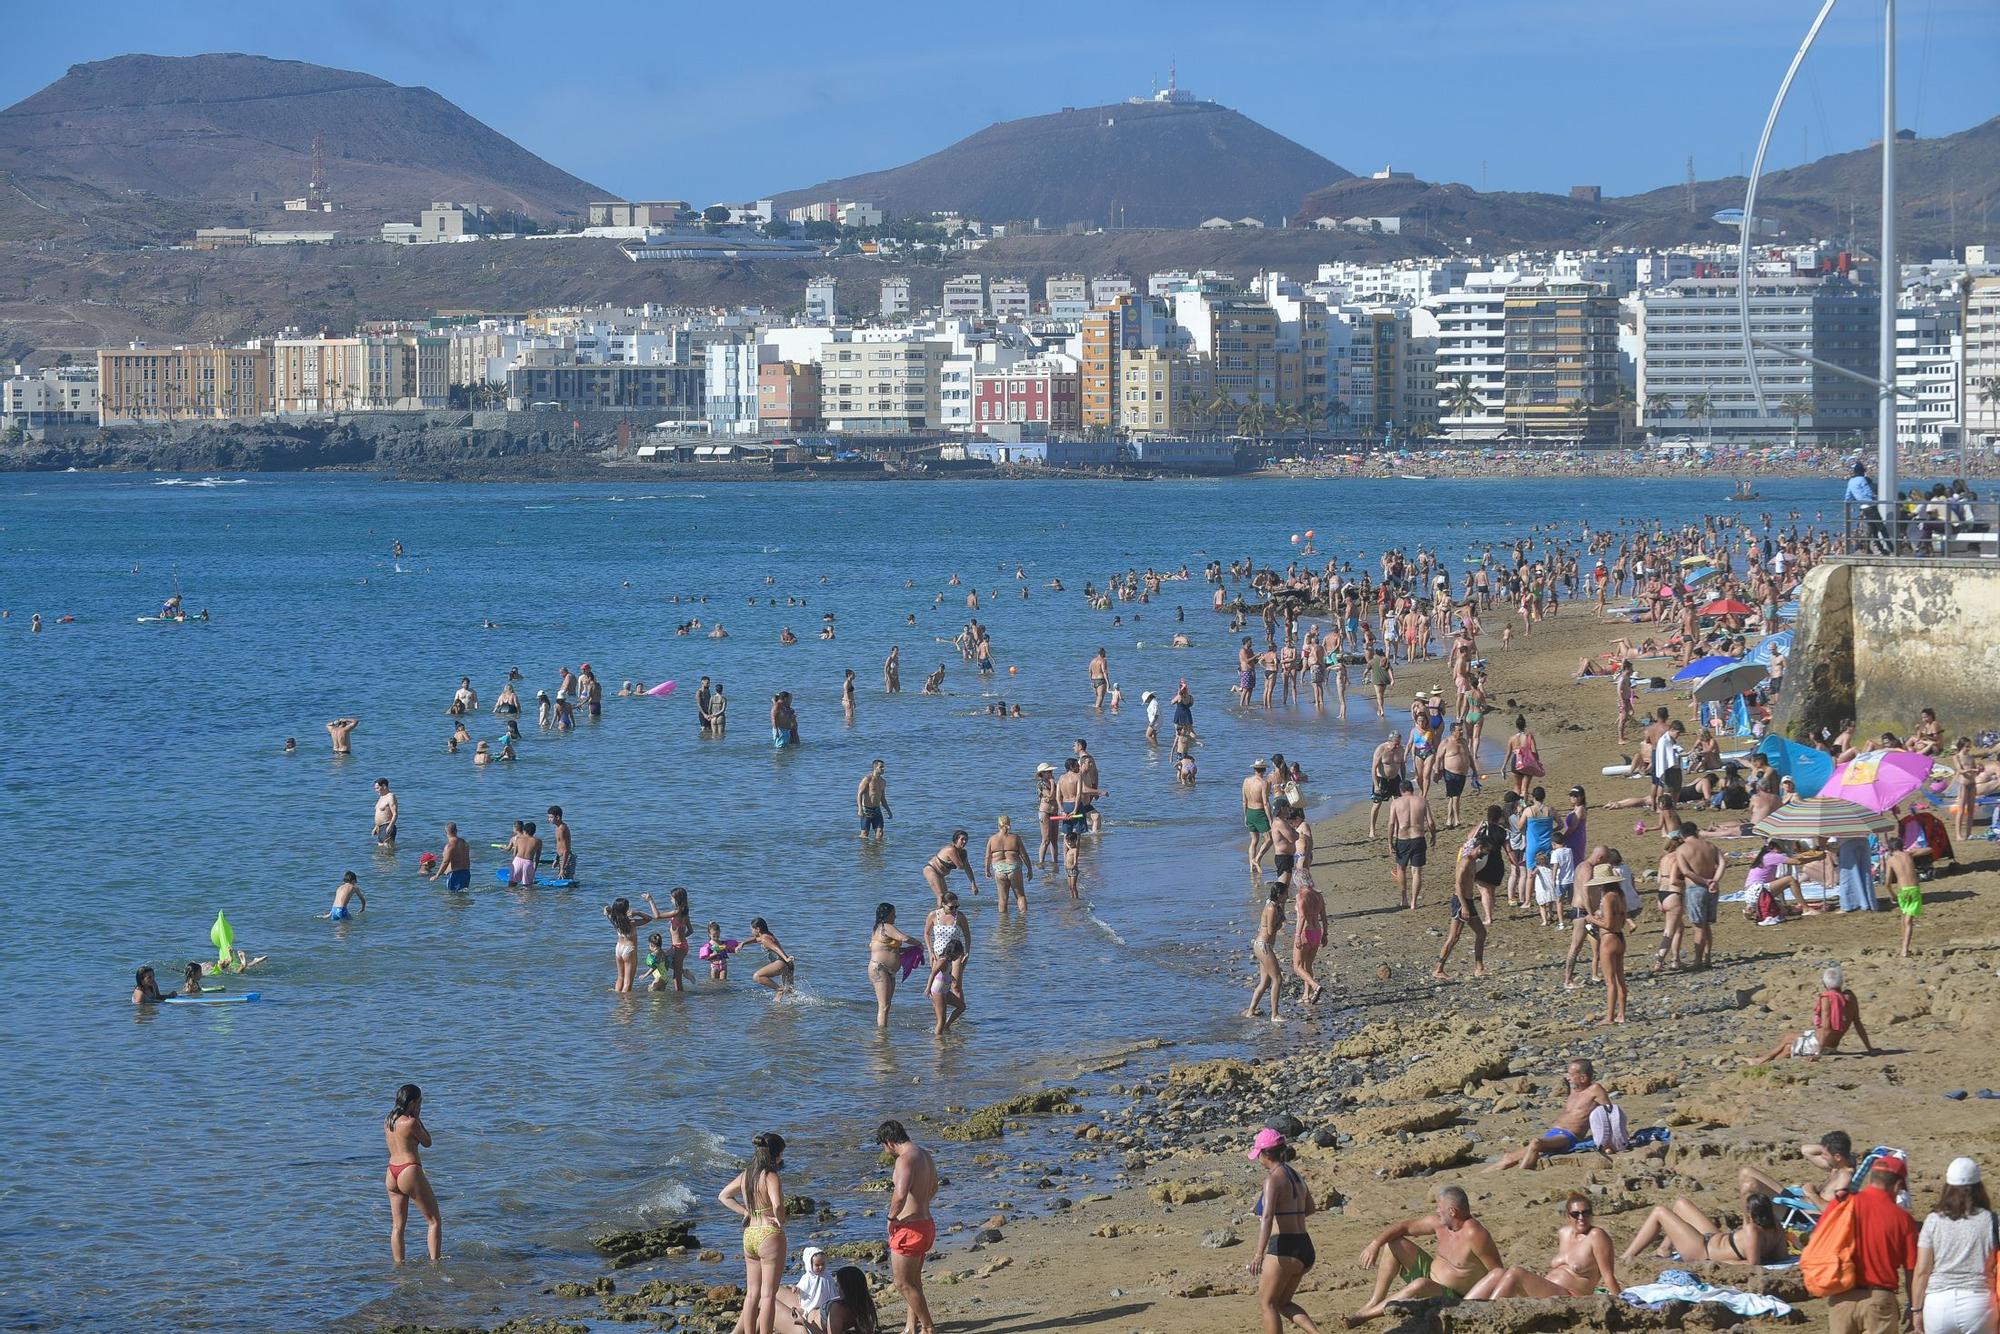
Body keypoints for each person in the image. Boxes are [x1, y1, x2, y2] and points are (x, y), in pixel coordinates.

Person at [1348, 1186, 1504, 1324]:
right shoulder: (1440, 1224)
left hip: (1455, 1296)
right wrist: (1375, 1244)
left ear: (1452, 1212)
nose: (1437, 1211)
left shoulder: (1475, 1235)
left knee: (1420, 1284)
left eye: (1439, 1207)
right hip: (1430, 1274)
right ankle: (1375, 1301)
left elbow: (1497, 1273)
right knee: (1393, 1243)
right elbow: (1404, 1227)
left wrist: (1479, 1306)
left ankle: (1365, 1316)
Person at [1819, 1153, 1919, 1334]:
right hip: (1879, 1300)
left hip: (1841, 1298)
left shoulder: (1840, 1205)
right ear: (1897, 1186)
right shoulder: (1903, 1219)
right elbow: (1912, 1271)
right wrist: (1915, 1309)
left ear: (1871, 1179)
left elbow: (1818, 1242)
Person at [1464, 1193, 1618, 1301]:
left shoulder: (1597, 1236)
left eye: (1586, 1213)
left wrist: (1623, 1304)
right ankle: (1463, 1311)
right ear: (1567, 1216)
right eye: (1575, 1214)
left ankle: (1488, 1315)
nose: (1581, 1218)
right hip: (1550, 1290)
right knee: (1498, 1273)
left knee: (1516, 1273)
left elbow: (1608, 1275)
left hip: (1572, 1298)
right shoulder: (1564, 1233)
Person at [1245, 1128, 1323, 1334]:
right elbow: (1310, 1208)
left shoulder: (1273, 1179)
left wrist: (1258, 1254)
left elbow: (1268, 1217)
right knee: (1283, 1303)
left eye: (1258, 1154)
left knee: (1267, 1303)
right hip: (1305, 1246)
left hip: (1284, 1248)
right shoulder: (1296, 1176)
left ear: (1265, 1154)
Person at [1913, 1157, 1996, 1334]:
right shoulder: (1991, 1221)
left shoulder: (1933, 1221)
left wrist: (1916, 1310)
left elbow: (1922, 1271)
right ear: (1979, 1187)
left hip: (1938, 1304)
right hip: (1978, 1303)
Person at [718, 1132, 789, 1334]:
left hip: (750, 1233)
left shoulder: (747, 1175)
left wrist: (746, 1212)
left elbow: (724, 1196)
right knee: (768, 1295)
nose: (782, 1158)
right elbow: (777, 1204)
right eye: (781, 1154)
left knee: (752, 1294)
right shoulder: (770, 1175)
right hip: (768, 1234)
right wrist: (780, 1219)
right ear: (775, 1154)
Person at [1485, 1059, 1611, 1171]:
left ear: (1583, 1077)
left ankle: (1522, 1174)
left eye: (1571, 1074)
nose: (1568, 1077)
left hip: (1569, 1136)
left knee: (1536, 1143)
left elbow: (1610, 1112)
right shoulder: (1574, 1089)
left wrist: (1611, 1139)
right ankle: (1475, 1178)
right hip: (1554, 1132)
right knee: (1509, 1158)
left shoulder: (1595, 1090)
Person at [1744, 964, 1876, 1063]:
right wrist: (1869, 1048)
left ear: (1824, 983)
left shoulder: (1827, 998)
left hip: (1820, 1044)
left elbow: (1826, 1027)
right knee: (1789, 1042)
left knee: (1788, 1044)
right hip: (1832, 1044)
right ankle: (1763, 1060)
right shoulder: (1850, 997)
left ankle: (1761, 1061)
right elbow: (1857, 1022)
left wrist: (1818, 1052)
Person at [877, 1120, 937, 1334]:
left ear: (890, 1142)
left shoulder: (904, 1160)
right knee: (914, 1281)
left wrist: (892, 1219)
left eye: (883, 1146)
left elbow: (900, 1195)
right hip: (926, 1224)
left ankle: (928, 1328)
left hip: (909, 1229)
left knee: (902, 1283)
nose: (885, 1151)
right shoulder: (925, 1155)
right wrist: (920, 1205)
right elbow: (934, 1186)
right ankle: (911, 1327)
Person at [1619, 1191, 1787, 1267]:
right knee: (1680, 1204)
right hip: (1716, 1238)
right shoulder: (1777, 1228)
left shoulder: (1752, 1231)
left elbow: (1752, 1264)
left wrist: (1719, 1262)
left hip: (1703, 1251)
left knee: (1659, 1212)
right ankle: (1664, 1248)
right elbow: (1782, 1257)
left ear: (1751, 1214)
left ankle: (1626, 1257)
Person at [384, 1083, 442, 1265]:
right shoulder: (411, 1123)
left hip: (391, 1171)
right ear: (414, 1102)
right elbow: (428, 1142)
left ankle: (399, 1266)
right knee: (434, 1221)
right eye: (420, 1102)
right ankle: (435, 1265)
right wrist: (417, 1118)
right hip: (409, 1170)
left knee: (398, 1226)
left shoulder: (388, 1121)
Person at [1435, 826, 1496, 979]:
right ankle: (1438, 969)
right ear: (1480, 847)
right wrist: (1464, 906)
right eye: (1486, 850)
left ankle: (1479, 968)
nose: (1487, 854)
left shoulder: (1474, 861)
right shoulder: (1465, 862)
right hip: (1460, 902)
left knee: (1481, 933)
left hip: (1468, 901)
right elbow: (1458, 885)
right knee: (1454, 937)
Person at [1587, 864, 1629, 1025]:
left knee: (1610, 981)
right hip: (1619, 937)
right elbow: (1621, 921)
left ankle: (1609, 1017)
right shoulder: (1620, 894)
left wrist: (1592, 919)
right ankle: (1621, 1014)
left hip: (1608, 938)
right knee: (1620, 979)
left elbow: (1608, 924)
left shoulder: (1607, 897)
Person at [1387, 779, 1435, 910]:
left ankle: (1404, 899)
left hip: (1402, 839)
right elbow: (1430, 822)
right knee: (1416, 872)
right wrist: (1433, 836)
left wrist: (1390, 842)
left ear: (1401, 791)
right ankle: (1414, 902)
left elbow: (1391, 824)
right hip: (1418, 838)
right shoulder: (1422, 800)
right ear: (1412, 789)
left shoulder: (1396, 803)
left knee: (1401, 868)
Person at [868, 903, 919, 1027]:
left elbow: (887, 949)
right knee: (884, 1006)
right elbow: (904, 938)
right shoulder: (886, 926)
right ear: (886, 915)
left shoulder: (879, 929)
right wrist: (919, 944)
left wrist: (907, 951)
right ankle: (881, 1037)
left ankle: (884, 1032)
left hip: (889, 971)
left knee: (887, 1005)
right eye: (893, 914)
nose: (895, 917)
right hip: (880, 968)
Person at [603, 894, 663, 993]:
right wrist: (637, 912)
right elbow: (649, 919)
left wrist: (609, 909)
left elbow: (606, 910)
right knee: (628, 982)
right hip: (629, 949)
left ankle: (618, 999)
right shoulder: (631, 922)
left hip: (619, 948)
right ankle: (626, 1004)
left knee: (620, 977)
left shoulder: (614, 920)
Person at [1246, 881, 1287, 1024]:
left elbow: (1282, 921)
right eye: (1286, 893)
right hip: (1263, 945)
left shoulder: (1276, 907)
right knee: (1277, 979)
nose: (1287, 896)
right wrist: (1279, 922)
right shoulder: (1271, 908)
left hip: (1263, 945)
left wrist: (1281, 918)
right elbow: (1270, 930)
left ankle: (1250, 1011)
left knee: (1265, 982)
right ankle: (1274, 1014)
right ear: (1279, 894)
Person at [775, 1246, 838, 1334]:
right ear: (810, 1264)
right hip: (810, 1304)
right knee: (803, 1310)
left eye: (823, 1264)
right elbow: (801, 1286)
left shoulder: (827, 1276)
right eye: (817, 1265)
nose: (820, 1267)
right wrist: (796, 1288)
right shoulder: (807, 1277)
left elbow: (832, 1288)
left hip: (824, 1304)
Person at [984, 814, 1031, 913]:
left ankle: (1003, 924)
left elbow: (988, 856)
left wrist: (987, 870)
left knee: (1003, 899)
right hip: (1014, 868)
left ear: (998, 825)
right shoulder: (1015, 838)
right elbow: (1024, 855)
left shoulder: (992, 839)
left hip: (999, 869)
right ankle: (1024, 920)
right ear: (1009, 824)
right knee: (1020, 896)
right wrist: (1029, 869)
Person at [920, 831, 980, 902]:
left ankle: (947, 912)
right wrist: (964, 858)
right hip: (931, 870)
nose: (964, 842)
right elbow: (960, 866)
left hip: (941, 875)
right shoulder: (951, 850)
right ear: (956, 840)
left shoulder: (963, 852)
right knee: (940, 896)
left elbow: (968, 868)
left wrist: (973, 884)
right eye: (962, 839)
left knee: (947, 898)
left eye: (966, 840)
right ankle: (938, 913)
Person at [819, 1265, 880, 1334]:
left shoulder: (838, 1308)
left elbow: (869, 1330)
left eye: (837, 1284)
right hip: (814, 1323)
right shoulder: (864, 1302)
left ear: (845, 1287)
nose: (836, 1288)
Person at [926, 939, 965, 1035]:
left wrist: (952, 978)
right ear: (953, 952)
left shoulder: (948, 961)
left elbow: (945, 973)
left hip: (945, 990)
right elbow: (933, 974)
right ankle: (939, 1042)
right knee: (941, 1020)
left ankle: (946, 1027)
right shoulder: (942, 961)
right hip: (938, 991)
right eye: (958, 954)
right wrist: (928, 989)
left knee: (961, 1007)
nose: (959, 956)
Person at [748, 917, 795, 993]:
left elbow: (776, 949)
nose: (751, 931)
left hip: (781, 963)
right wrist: (742, 944)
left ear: (758, 929)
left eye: (752, 929)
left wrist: (786, 958)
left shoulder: (765, 939)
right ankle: (789, 1002)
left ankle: (780, 989)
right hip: (788, 964)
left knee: (757, 976)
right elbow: (755, 939)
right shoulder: (767, 935)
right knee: (789, 992)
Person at [1243, 759, 1275, 869]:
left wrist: (1245, 816)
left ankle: (1252, 866)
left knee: (1254, 840)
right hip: (1259, 812)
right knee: (1269, 839)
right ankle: (1257, 859)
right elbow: (1265, 803)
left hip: (1250, 812)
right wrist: (1270, 819)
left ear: (1254, 769)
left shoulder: (1246, 781)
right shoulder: (1263, 783)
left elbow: (1244, 801)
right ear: (1264, 769)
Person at [428, 823, 471, 892]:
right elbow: (467, 859)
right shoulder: (464, 842)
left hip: (455, 875)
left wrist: (437, 875)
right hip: (466, 873)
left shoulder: (449, 846)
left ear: (445, 832)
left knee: (452, 898)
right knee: (463, 895)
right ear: (456, 830)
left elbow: (445, 862)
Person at [856, 760, 892, 842]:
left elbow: (883, 798)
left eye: (884, 767)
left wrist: (889, 811)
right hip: (866, 810)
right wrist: (860, 809)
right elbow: (859, 794)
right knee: (864, 834)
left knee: (880, 833)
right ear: (875, 768)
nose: (883, 769)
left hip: (877, 810)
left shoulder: (883, 782)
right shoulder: (867, 779)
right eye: (881, 767)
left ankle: (877, 851)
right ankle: (865, 852)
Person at [546, 806, 574, 881]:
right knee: (562, 882)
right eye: (549, 817)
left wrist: (562, 868)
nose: (549, 819)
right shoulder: (557, 828)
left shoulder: (562, 829)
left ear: (558, 817)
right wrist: (557, 859)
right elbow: (559, 846)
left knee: (566, 882)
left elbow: (565, 850)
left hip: (566, 858)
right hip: (561, 857)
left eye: (551, 817)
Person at [371, 777, 398, 846]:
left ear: (384, 786)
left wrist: (390, 826)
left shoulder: (390, 796)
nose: (376, 790)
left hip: (387, 826)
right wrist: (376, 826)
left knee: (387, 852)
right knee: (380, 852)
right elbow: (380, 813)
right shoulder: (381, 797)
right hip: (380, 828)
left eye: (377, 788)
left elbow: (395, 814)